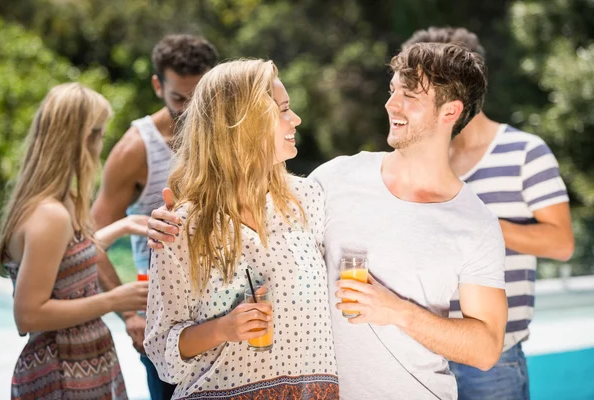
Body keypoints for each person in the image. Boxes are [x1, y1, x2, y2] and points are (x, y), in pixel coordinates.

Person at [147, 43, 508, 400]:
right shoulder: (330, 183)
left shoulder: (474, 222)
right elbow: (233, 195)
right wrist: (175, 220)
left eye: (409, 95)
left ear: (450, 112)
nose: (390, 104)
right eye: (392, 90)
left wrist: (396, 311)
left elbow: (486, 348)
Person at [143, 59, 339, 399]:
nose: (296, 120)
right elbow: (163, 355)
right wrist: (223, 328)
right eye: (283, 111)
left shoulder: (308, 199)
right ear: (243, 124)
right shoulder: (183, 226)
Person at [402, 27, 574, 400]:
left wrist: (474, 223)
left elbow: (561, 244)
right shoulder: (414, 162)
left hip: (492, 363)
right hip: (420, 353)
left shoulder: (526, 153)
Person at [0, 83, 149, 399]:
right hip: (64, 373)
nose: (102, 145)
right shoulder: (50, 214)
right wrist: (115, 300)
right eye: (101, 135)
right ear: (83, 140)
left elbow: (66, 262)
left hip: (85, 362)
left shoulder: (59, 202)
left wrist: (123, 226)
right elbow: (28, 315)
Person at [91, 34, 219, 400]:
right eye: (180, 98)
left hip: (225, 319)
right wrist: (129, 315)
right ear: (157, 86)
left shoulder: (226, 136)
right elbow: (91, 239)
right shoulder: (135, 148)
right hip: (166, 325)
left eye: (200, 96)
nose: (192, 108)